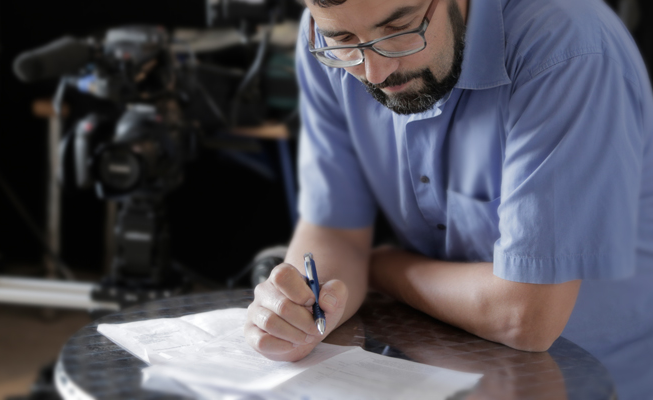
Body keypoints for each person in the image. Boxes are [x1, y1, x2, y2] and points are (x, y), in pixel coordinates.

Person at [243, 0, 653, 398]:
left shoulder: (568, 48)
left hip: (598, 378)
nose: (374, 71)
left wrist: (376, 267)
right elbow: (334, 231)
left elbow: (526, 316)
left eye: (399, 29)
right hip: (444, 368)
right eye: (346, 39)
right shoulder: (326, 37)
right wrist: (298, 312)